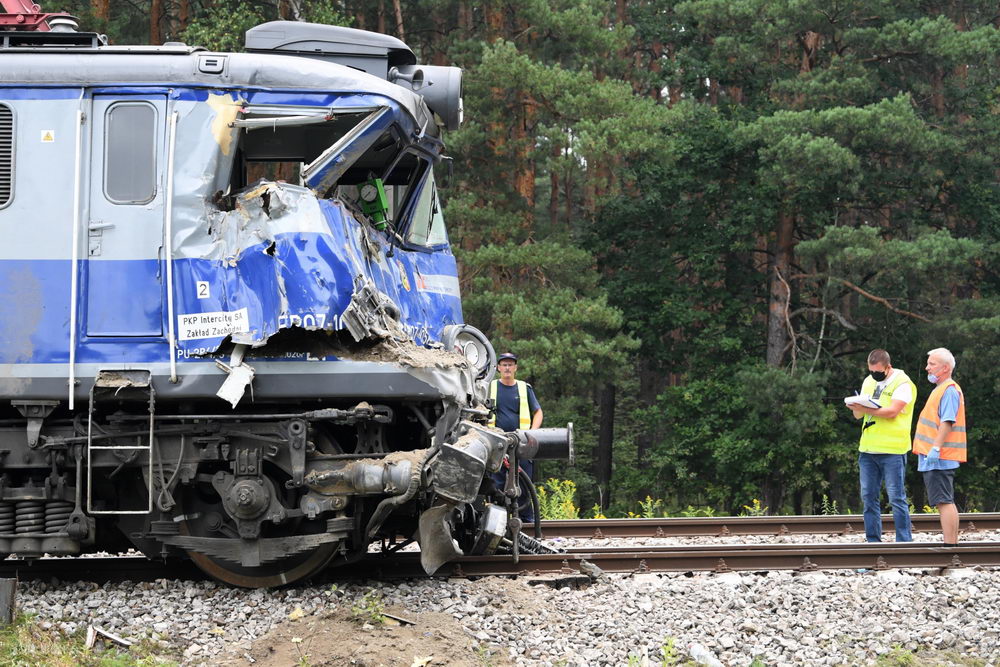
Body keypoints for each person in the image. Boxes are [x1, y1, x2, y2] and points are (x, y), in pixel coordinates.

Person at [846, 349, 915, 543]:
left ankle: (904, 543)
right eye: (871, 371)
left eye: (878, 372)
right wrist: (856, 407)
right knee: (868, 498)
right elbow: (859, 416)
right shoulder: (869, 381)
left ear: (888, 367)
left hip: (893, 450)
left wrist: (865, 408)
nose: (874, 375)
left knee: (896, 498)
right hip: (868, 449)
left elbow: (893, 411)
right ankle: (873, 543)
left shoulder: (903, 383)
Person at [912, 347, 966, 546]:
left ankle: (950, 546)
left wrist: (935, 448)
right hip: (936, 456)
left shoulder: (949, 390)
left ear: (944, 368)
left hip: (940, 456)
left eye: (931, 364)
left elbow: (947, 421)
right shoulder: (941, 389)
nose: (927, 368)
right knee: (943, 500)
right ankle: (950, 544)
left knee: (944, 501)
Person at [488, 352, 543, 521]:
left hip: (522, 444)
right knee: (496, 485)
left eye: (510, 365)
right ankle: (498, 521)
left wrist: (532, 433)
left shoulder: (523, 388)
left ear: (515, 368)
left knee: (524, 485)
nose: (507, 368)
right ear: (498, 368)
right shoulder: (491, 387)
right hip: (497, 444)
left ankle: (527, 521)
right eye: (504, 364)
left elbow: (538, 412)